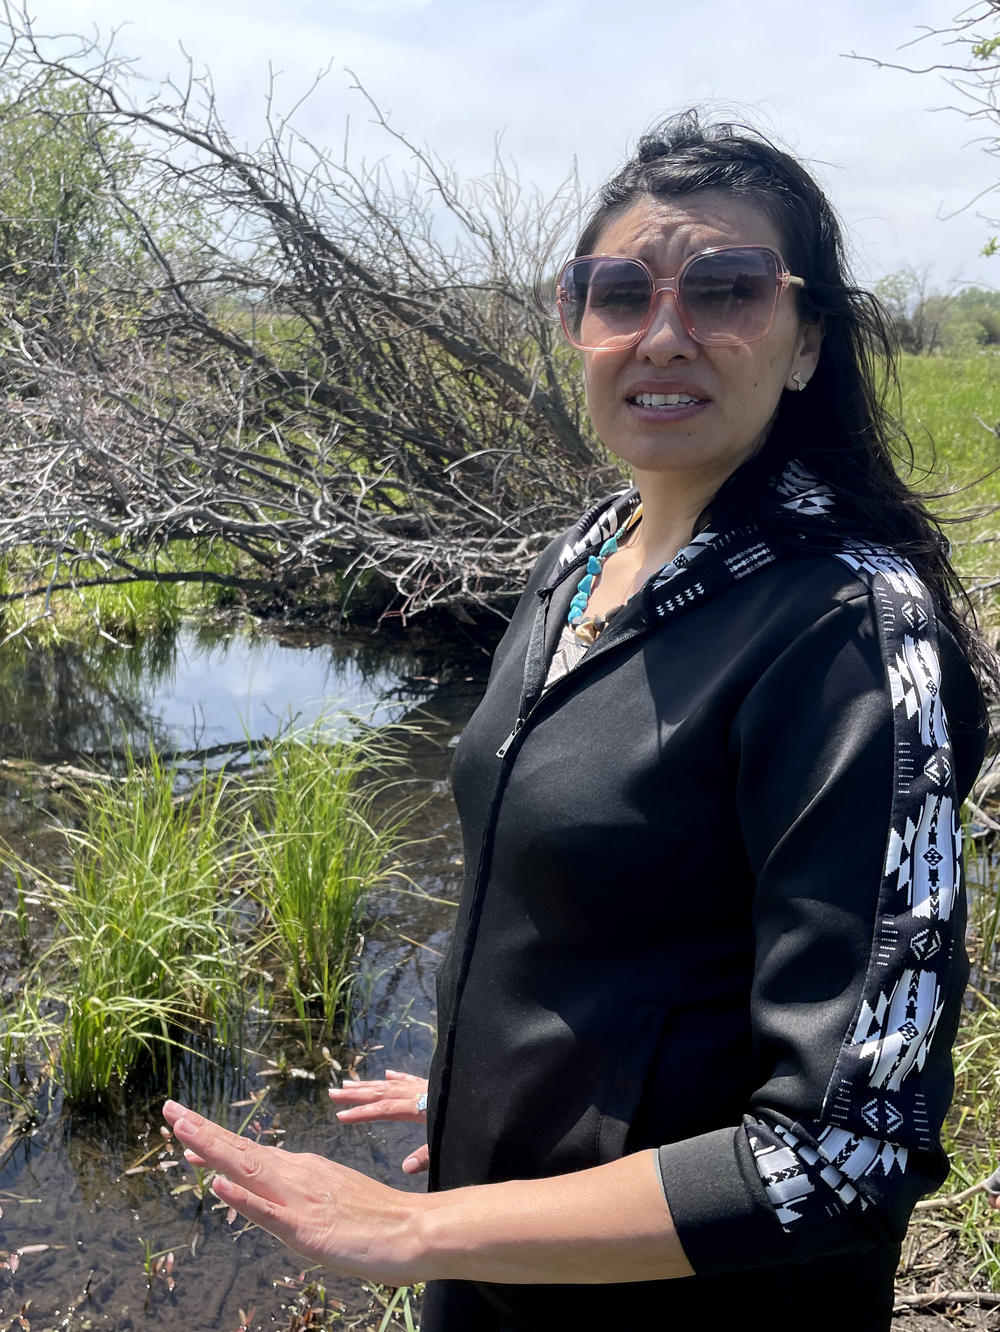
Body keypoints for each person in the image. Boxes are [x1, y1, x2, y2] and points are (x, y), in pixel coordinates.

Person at [162, 112, 993, 1331]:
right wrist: (490, 1082)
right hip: (514, 1257)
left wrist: (414, 1228)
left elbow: (844, 1154)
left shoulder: (850, 629)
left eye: (726, 291)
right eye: (619, 293)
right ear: (574, 323)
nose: (665, 333)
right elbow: (607, 913)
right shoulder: (587, 550)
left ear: (807, 341)